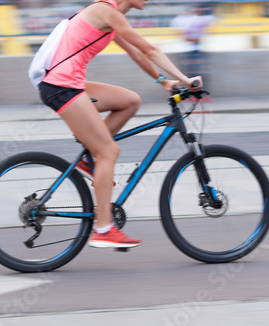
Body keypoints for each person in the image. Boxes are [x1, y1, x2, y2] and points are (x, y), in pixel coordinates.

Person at [38, 0, 202, 249]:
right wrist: (185, 79)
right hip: (62, 88)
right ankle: (103, 229)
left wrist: (163, 81)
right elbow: (150, 50)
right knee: (109, 151)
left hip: (69, 84)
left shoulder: (110, 18)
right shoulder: (106, 12)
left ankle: (88, 158)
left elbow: (136, 53)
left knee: (130, 101)